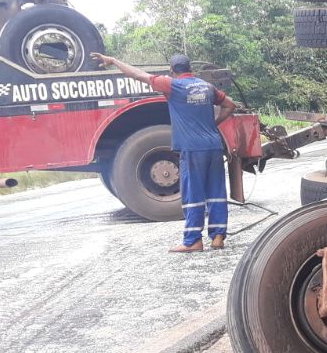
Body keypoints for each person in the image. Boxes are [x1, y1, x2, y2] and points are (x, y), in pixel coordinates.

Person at [91, 52, 238, 252]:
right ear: (191, 69)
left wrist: (114, 61)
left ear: (172, 71)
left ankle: (193, 240)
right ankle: (218, 236)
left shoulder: (173, 86)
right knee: (216, 192)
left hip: (192, 148)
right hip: (213, 145)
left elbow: (138, 75)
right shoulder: (207, 87)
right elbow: (230, 105)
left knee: (193, 194)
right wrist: (213, 124)